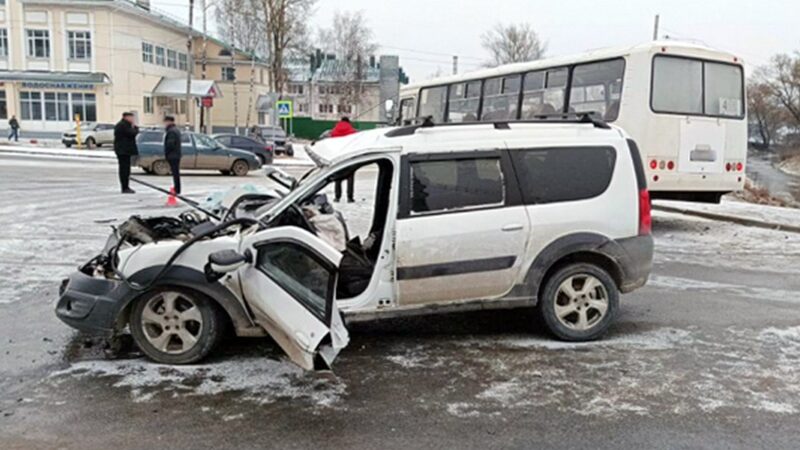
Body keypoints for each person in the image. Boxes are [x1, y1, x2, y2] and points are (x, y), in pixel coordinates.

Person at [330, 117, 357, 202]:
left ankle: (337, 197)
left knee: (337, 178)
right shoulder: (353, 132)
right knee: (350, 178)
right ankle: (350, 197)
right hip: (349, 157)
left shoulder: (334, 131)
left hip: (338, 157)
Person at [113, 112, 139, 194]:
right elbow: (132, 133)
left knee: (126, 169)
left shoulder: (125, 125)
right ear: (126, 117)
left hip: (125, 150)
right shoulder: (123, 125)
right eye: (131, 118)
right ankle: (125, 187)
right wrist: (136, 128)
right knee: (124, 169)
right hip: (123, 150)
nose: (132, 120)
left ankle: (126, 186)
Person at [163, 115, 182, 195]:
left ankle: (177, 189)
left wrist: (167, 153)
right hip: (176, 154)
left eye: (165, 122)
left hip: (173, 155)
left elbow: (170, 144)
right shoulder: (176, 130)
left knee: (175, 172)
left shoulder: (171, 131)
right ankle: (177, 188)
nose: (164, 124)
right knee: (175, 172)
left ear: (169, 121)